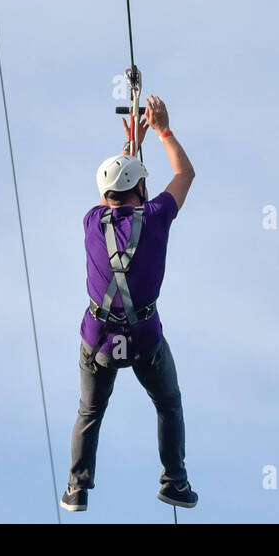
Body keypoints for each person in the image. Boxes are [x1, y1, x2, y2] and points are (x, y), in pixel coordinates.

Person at [61, 93, 197, 512]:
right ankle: (174, 480)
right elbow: (185, 174)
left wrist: (129, 149)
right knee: (168, 403)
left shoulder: (90, 221)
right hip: (143, 339)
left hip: (98, 337)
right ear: (141, 187)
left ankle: (77, 487)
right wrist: (163, 130)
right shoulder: (156, 217)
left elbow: (115, 197)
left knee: (90, 410)